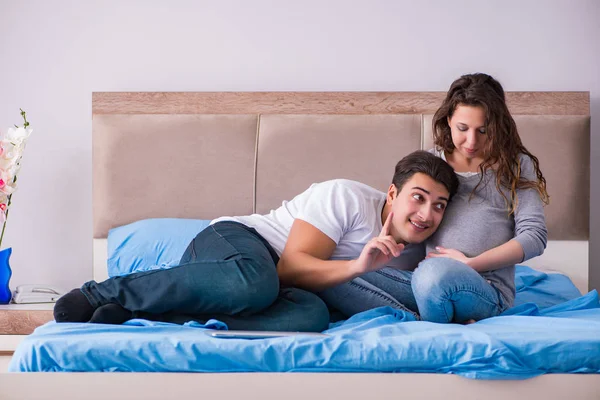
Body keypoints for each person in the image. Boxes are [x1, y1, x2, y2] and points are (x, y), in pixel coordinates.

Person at [54, 150, 459, 331]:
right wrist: (356, 266)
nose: (426, 215)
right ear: (392, 194)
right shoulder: (347, 197)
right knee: (256, 280)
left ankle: (139, 316)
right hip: (239, 244)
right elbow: (291, 267)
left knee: (312, 319)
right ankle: (100, 292)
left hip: (280, 290)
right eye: (418, 199)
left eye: (439, 206)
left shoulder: (417, 252)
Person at [319, 73, 549, 324]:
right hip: (423, 283)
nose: (472, 141)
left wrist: (470, 264)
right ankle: (420, 320)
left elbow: (534, 237)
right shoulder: (431, 162)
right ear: (449, 120)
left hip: (484, 288)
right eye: (462, 128)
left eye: (484, 131)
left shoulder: (515, 165)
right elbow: (411, 217)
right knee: (333, 272)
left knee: (434, 273)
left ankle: (431, 329)